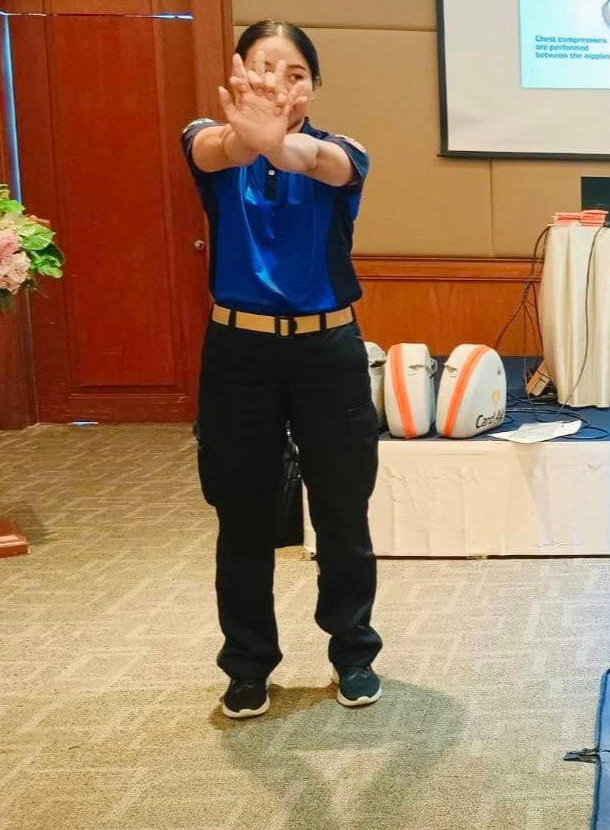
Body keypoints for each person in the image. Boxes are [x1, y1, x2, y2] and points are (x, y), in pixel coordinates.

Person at [183, 20, 383, 718]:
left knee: (342, 513)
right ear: (237, 72)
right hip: (238, 354)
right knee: (240, 516)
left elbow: (318, 164)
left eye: (295, 72)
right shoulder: (205, 137)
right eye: (265, 68)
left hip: (327, 352)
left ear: (314, 85)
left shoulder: (342, 151)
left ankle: (353, 654)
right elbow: (218, 151)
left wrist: (275, 142)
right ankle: (246, 666)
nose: (279, 83)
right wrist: (250, 139)